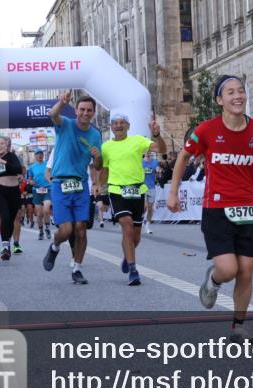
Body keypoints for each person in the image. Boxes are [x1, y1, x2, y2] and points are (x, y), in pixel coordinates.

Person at [167, 75, 253, 343]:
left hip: (249, 209)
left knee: (247, 270)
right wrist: (173, 191)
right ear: (220, 100)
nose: (238, 96)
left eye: (241, 90)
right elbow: (184, 156)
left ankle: (238, 326)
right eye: (230, 92)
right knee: (228, 270)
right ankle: (214, 281)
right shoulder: (206, 129)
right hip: (217, 208)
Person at [99, 113, 166, 286]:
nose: (119, 126)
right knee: (127, 226)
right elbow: (104, 169)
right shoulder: (106, 147)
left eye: (122, 123)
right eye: (115, 123)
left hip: (137, 191)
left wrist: (157, 135)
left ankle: (127, 256)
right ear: (111, 127)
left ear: (128, 126)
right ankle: (133, 269)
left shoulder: (138, 140)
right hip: (116, 191)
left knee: (135, 237)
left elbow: (162, 150)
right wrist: (99, 187)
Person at [44, 91, 103, 285]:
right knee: (66, 230)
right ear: (76, 111)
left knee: (81, 229)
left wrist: (97, 157)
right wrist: (61, 103)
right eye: (82, 109)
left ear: (93, 112)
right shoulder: (66, 124)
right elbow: (53, 115)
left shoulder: (95, 134)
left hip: (80, 185)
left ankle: (77, 268)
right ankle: (54, 246)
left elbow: (99, 165)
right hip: (60, 183)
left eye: (89, 110)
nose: (85, 113)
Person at [28, 150, 53, 240]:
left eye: (41, 154)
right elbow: (29, 179)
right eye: (37, 154)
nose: (40, 155)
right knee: (39, 214)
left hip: (48, 189)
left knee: (46, 210)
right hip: (37, 190)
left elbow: (52, 175)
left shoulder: (48, 164)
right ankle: (41, 231)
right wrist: (31, 181)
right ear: (34, 156)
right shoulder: (31, 167)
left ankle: (47, 228)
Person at [142, 150, 160, 233]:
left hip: (152, 187)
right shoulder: (140, 162)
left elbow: (157, 170)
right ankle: (141, 218)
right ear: (144, 153)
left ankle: (147, 225)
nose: (148, 153)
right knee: (145, 206)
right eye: (146, 151)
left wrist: (158, 170)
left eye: (149, 151)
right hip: (143, 187)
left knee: (150, 208)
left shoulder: (155, 162)